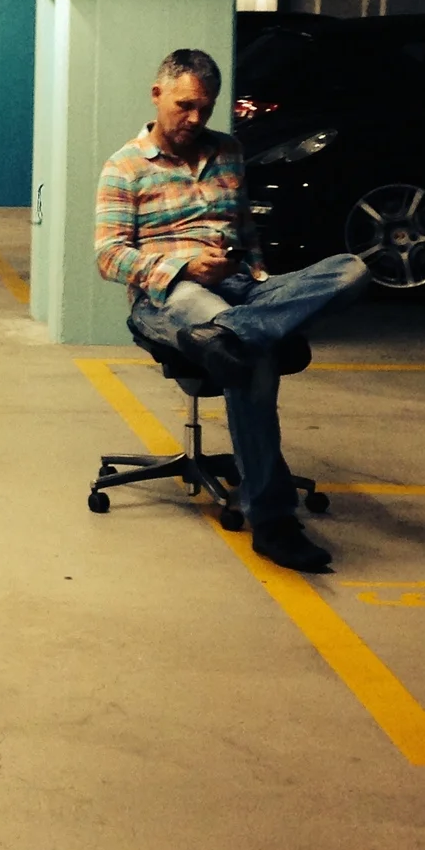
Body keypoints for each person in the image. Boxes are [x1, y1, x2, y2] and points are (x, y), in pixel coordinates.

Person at [92, 46, 370, 573]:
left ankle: (237, 330)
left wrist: (249, 272)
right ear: (157, 95)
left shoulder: (228, 152)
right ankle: (273, 522)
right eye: (185, 106)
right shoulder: (124, 166)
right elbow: (108, 256)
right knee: (249, 356)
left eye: (205, 108)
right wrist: (185, 267)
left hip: (241, 290)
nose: (195, 118)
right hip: (169, 299)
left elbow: (245, 230)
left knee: (351, 270)